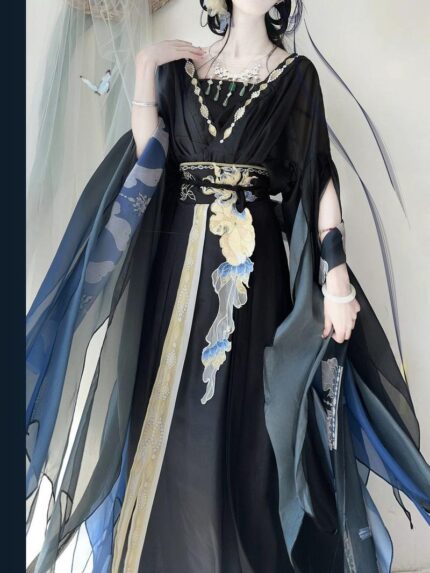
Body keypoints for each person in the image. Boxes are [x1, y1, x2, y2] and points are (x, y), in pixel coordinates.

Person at [26, 1, 430, 572]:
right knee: (169, 421)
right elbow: (150, 161)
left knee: (241, 425)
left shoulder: (294, 76)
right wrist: (144, 67)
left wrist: (336, 274)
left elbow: (316, 175)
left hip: (254, 274)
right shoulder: (179, 70)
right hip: (175, 268)